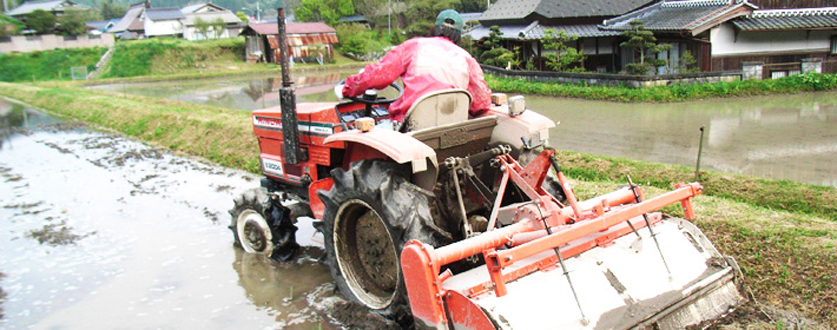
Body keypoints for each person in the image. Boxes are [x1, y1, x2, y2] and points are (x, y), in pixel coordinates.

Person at [341, 9, 492, 122]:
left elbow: (377, 75)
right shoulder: (467, 59)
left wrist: (348, 88)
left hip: (410, 128)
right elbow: (482, 102)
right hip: (453, 129)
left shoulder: (414, 46)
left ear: (434, 28)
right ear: (458, 35)